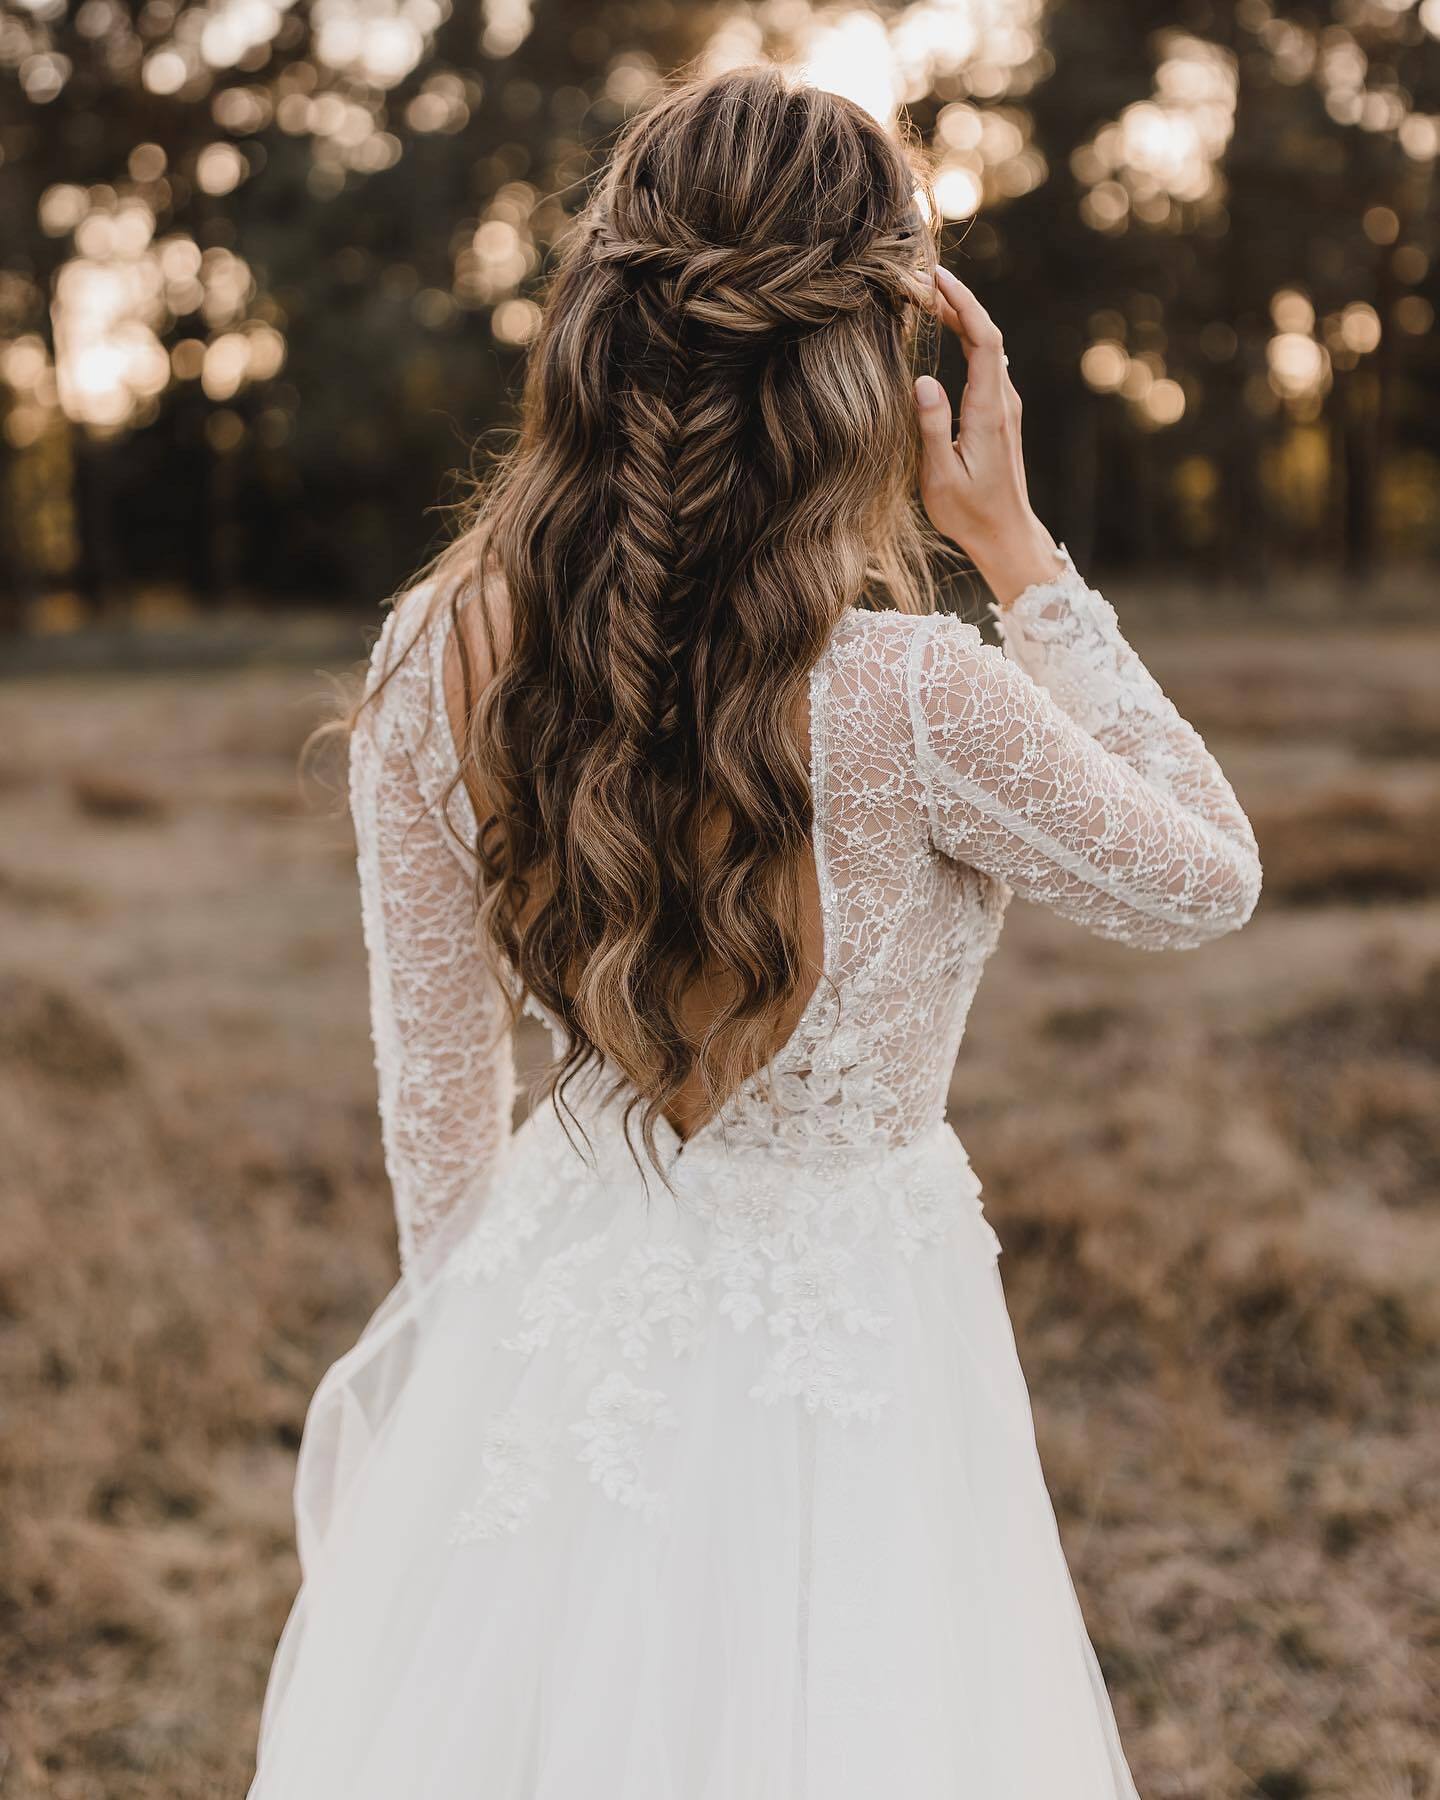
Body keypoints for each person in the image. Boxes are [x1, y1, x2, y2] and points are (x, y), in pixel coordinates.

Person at [249, 66, 1260, 1799]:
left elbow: (437, 1097)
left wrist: (466, 1379)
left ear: (604, 320)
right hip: (856, 1353)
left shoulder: (434, 652)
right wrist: (1020, 556)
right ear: (889, 355)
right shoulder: (924, 697)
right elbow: (1208, 875)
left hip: (552, 1324)